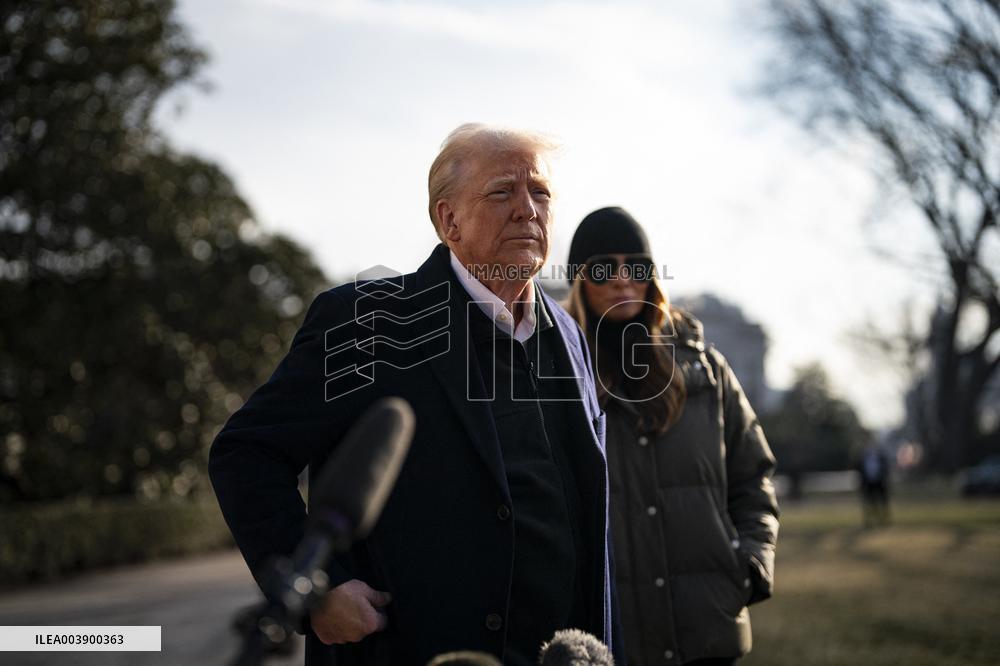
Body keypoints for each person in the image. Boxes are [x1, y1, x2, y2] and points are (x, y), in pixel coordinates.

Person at [209, 125, 622, 666]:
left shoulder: (570, 337)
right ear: (448, 219)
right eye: (502, 191)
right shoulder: (366, 322)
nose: (527, 209)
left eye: (540, 192)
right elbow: (246, 453)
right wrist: (319, 592)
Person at [563, 207, 779, 666]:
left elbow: (753, 477)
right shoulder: (556, 377)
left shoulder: (706, 370)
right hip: (611, 638)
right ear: (580, 280)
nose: (623, 280)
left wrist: (750, 565)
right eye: (604, 268)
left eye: (637, 267)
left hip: (706, 629)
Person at [857, 442, 891, 527]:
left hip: (879, 482)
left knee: (882, 502)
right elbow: (860, 472)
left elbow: (885, 470)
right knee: (869, 503)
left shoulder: (881, 458)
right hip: (868, 483)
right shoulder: (863, 459)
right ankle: (869, 521)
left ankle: (884, 520)